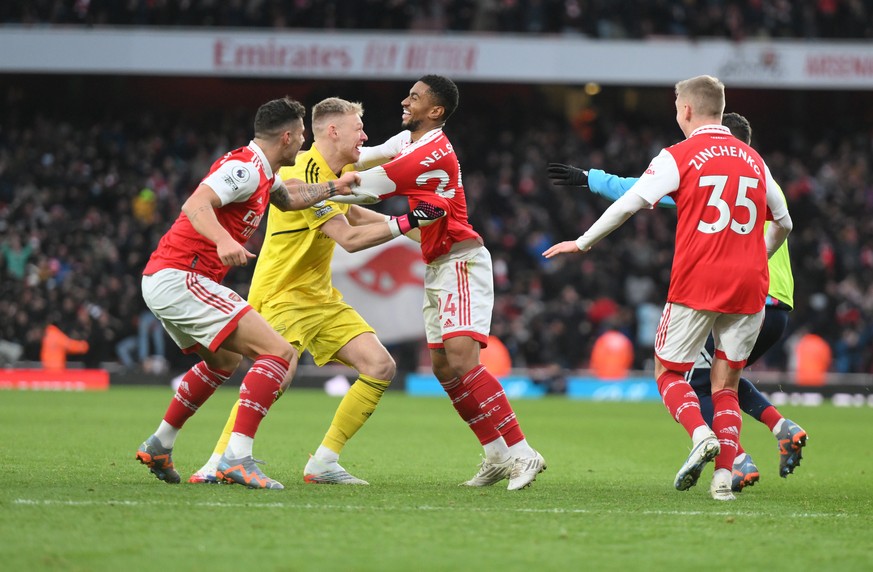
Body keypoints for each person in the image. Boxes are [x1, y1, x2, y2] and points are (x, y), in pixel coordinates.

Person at [543, 75, 793, 501]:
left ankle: (699, 434)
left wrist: (582, 242)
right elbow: (784, 223)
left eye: (677, 104)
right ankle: (722, 480)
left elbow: (630, 201)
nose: (676, 111)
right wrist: (759, 259)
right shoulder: (754, 160)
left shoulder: (680, 154)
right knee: (726, 385)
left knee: (668, 372)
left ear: (689, 110)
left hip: (699, 282)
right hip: (751, 287)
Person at [187, 97, 444, 486]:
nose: (364, 135)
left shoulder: (339, 169)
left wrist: (414, 232)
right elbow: (348, 237)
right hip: (282, 294)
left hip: (319, 297)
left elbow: (356, 210)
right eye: (359, 128)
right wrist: (408, 222)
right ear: (334, 131)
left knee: (379, 366)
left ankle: (324, 462)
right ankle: (217, 462)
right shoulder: (305, 171)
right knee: (274, 378)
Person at [134, 96, 360, 490]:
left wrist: (333, 187)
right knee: (280, 352)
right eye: (303, 135)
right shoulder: (244, 169)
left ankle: (160, 443)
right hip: (182, 276)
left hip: (169, 279)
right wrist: (223, 241)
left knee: (223, 361)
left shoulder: (265, 174)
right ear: (287, 137)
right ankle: (237, 459)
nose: (305, 142)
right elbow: (196, 204)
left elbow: (289, 200)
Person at [334, 75, 546, 491]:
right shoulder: (408, 142)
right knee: (445, 368)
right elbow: (362, 158)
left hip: (462, 262)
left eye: (414, 97)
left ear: (436, 111)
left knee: (464, 360)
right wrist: (323, 158)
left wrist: (308, 188)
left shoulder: (429, 153)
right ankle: (497, 455)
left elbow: (363, 189)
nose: (404, 101)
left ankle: (523, 452)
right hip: (436, 262)